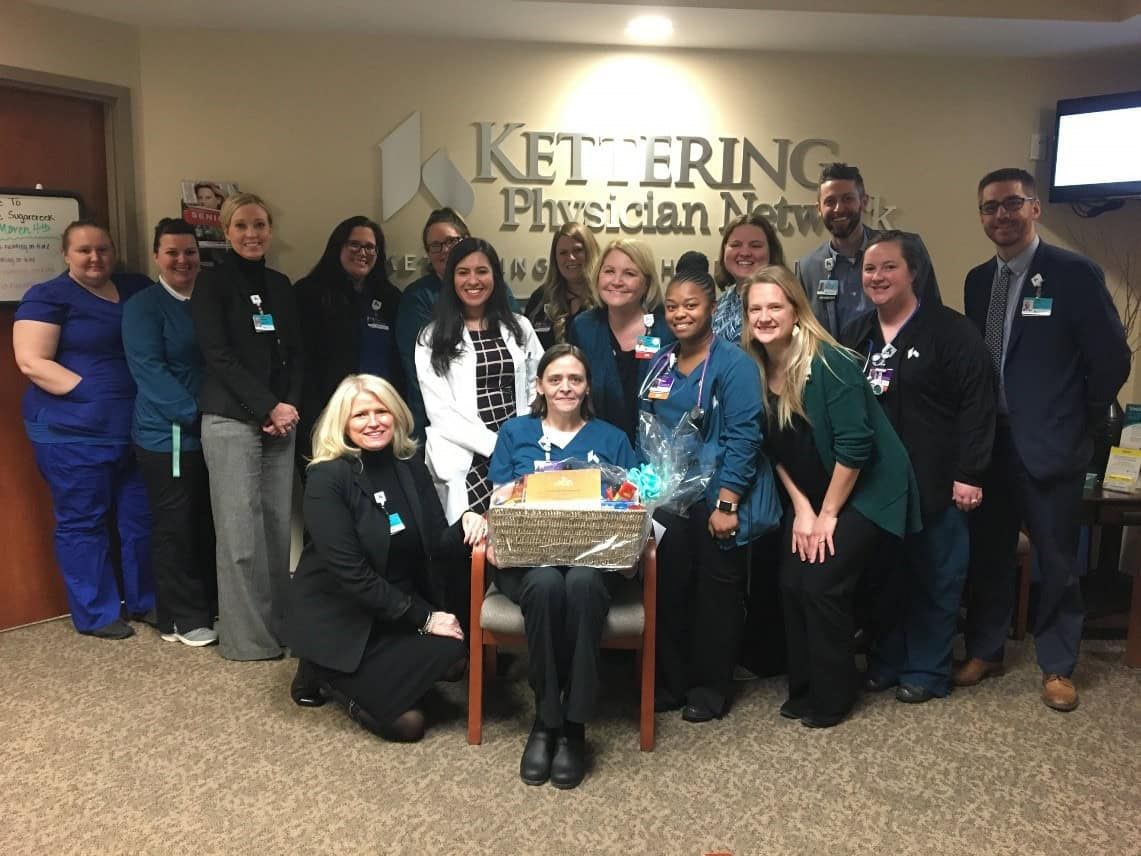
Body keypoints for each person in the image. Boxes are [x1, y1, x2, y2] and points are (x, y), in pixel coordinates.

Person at [957, 167, 1130, 712]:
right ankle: (986, 648)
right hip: (991, 443)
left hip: (1051, 443)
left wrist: (1079, 419)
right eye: (989, 207)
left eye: (1011, 204)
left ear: (1033, 208)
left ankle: (1058, 665)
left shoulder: (1073, 272)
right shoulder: (977, 279)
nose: (1000, 216)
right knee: (989, 553)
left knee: (1057, 558)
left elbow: (1111, 359)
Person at [743, 264, 920, 728]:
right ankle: (804, 689)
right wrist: (802, 509)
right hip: (812, 495)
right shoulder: (756, 369)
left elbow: (856, 447)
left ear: (796, 311)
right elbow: (771, 449)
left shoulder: (829, 362)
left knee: (821, 583)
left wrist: (827, 515)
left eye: (774, 306)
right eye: (755, 308)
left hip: (867, 490)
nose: (764, 316)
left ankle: (833, 695)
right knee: (790, 581)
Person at [839, 231, 994, 702]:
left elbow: (978, 406)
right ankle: (887, 661)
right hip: (876, 487)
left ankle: (926, 670)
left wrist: (971, 473)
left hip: (938, 483)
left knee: (936, 576)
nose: (877, 276)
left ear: (914, 272)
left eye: (889, 267)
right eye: (870, 268)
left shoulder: (952, 332)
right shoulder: (857, 334)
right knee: (885, 578)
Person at [286, 374, 478, 742]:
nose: (373, 422)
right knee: (409, 725)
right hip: (343, 615)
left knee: (454, 657)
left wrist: (466, 522)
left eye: (381, 411)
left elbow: (436, 541)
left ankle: (371, 673)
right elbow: (352, 575)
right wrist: (427, 617)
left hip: (392, 609)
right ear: (342, 422)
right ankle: (325, 674)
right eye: (360, 415)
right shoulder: (327, 478)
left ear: (396, 414)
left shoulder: (408, 463)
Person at [486, 344, 637, 788]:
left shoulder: (612, 438)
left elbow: (630, 502)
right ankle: (545, 719)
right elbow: (500, 498)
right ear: (540, 385)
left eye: (575, 379)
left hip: (593, 562)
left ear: (587, 385)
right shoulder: (516, 434)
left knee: (583, 586)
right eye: (556, 379)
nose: (565, 387)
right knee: (548, 584)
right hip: (528, 561)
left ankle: (574, 727)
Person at [641, 252, 782, 722]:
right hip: (670, 501)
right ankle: (673, 681)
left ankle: (709, 687)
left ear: (711, 306)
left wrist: (727, 502)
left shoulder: (734, 365)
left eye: (691, 305)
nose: (680, 314)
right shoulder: (661, 363)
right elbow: (646, 422)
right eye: (672, 307)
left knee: (716, 595)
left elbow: (746, 436)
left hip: (717, 497)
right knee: (671, 589)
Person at [12, 220, 154, 639]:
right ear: (66, 254)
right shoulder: (48, 296)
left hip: (136, 430)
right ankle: (97, 613)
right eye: (84, 251)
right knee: (82, 523)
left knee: (140, 518)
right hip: (72, 434)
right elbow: (32, 361)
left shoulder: (136, 288)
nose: (95, 258)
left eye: (103, 250)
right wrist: (91, 394)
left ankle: (146, 600)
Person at [191, 192, 303, 661]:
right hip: (232, 419)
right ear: (225, 232)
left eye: (259, 225)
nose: (251, 234)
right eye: (241, 226)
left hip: (281, 421)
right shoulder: (211, 285)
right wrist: (266, 408)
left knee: (277, 531)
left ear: (270, 230)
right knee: (240, 536)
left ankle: (280, 629)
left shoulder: (281, 284)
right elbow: (218, 356)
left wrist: (289, 406)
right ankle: (247, 640)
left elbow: (297, 353)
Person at [123, 218, 218, 647]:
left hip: (215, 430)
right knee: (175, 525)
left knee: (207, 522)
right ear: (156, 256)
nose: (183, 260)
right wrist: (194, 415)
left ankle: (211, 605)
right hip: (169, 436)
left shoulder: (211, 299)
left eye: (190, 251)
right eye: (173, 252)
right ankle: (180, 617)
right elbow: (150, 371)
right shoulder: (144, 306)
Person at [415, 237, 542, 523]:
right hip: (466, 453)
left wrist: (521, 439)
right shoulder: (431, 336)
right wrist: (496, 445)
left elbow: (539, 386)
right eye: (463, 272)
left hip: (519, 447)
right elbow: (440, 410)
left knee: (522, 534)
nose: (473, 280)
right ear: (451, 279)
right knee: (471, 543)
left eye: (482, 271)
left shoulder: (519, 327)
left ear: (495, 276)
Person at [295, 216, 404, 466]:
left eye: (370, 247)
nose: (362, 252)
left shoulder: (390, 297)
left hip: (379, 419)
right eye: (354, 245)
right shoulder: (308, 293)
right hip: (326, 416)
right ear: (338, 248)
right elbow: (301, 360)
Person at [795, 163, 941, 338]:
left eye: (847, 198)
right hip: (837, 365)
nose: (838, 208)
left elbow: (933, 315)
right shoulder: (806, 269)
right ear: (819, 208)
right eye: (830, 201)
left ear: (863, 202)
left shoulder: (907, 248)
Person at [569, 239, 673, 445]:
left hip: (656, 450)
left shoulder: (665, 331)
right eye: (609, 271)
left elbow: (670, 398)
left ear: (647, 283)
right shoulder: (583, 328)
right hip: (598, 447)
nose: (617, 281)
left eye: (629, 273)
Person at [395, 208, 469, 441]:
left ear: (466, 241)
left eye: (451, 241)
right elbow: (418, 366)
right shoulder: (418, 297)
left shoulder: (495, 289)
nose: (445, 250)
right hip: (434, 419)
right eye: (435, 246)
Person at [711, 212, 786, 343]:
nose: (745, 253)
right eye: (735, 245)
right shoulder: (724, 300)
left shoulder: (783, 300)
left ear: (771, 251)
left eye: (755, 246)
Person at [524, 222, 599, 350]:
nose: (571, 257)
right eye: (563, 252)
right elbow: (525, 347)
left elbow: (641, 347)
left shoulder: (607, 298)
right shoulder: (540, 298)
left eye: (578, 250)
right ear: (555, 258)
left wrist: (644, 354)